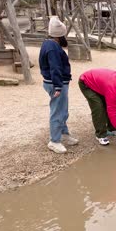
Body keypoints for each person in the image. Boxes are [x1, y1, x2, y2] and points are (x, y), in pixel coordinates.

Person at [39, 16, 78, 154]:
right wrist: (58, 86)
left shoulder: (48, 43)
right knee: (57, 111)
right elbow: (55, 67)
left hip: (58, 82)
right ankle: (54, 141)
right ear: (60, 34)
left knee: (63, 110)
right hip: (56, 83)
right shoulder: (53, 47)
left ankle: (63, 133)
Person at [78, 69, 116, 146]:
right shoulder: (114, 87)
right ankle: (100, 135)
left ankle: (111, 128)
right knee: (98, 108)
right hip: (86, 83)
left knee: (112, 105)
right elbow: (112, 112)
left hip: (99, 84)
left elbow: (114, 94)